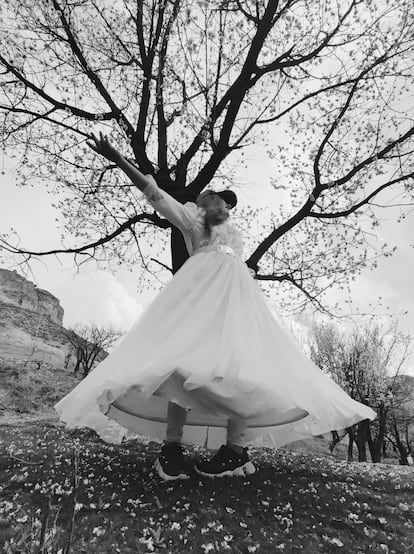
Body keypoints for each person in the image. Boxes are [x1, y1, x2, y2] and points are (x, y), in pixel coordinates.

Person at [55, 133, 377, 481]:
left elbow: (237, 269)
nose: (224, 205)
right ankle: (171, 449)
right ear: (202, 207)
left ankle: (235, 451)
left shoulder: (235, 245)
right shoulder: (193, 225)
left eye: (227, 203)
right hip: (199, 297)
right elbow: (155, 195)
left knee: (239, 368)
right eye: (217, 201)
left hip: (235, 302)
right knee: (182, 364)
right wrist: (118, 157)